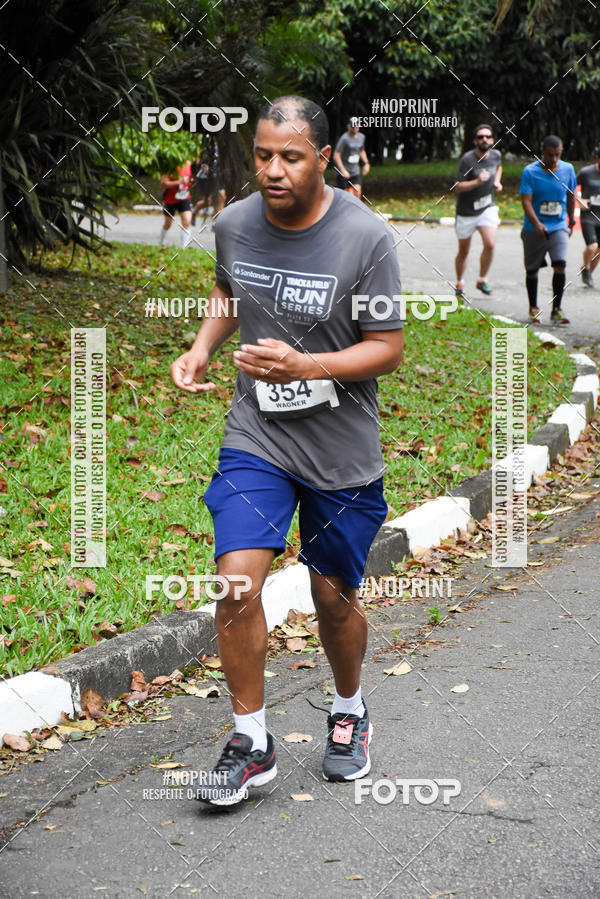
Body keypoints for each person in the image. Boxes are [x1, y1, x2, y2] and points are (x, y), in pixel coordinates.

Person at [170, 95, 403, 806]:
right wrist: (203, 347)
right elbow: (227, 289)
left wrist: (307, 365)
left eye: (291, 157)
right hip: (258, 435)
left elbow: (387, 348)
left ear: (323, 158)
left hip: (339, 448)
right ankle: (251, 741)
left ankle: (349, 709)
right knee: (237, 579)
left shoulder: (365, 237)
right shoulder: (235, 222)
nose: (273, 170)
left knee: (332, 596)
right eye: (263, 155)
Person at [520, 135, 576, 325]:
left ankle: (556, 309)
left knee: (560, 264)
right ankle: (533, 307)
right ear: (542, 152)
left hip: (558, 225)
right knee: (532, 269)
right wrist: (536, 223)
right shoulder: (530, 172)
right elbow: (526, 201)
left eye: (557, 155)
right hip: (533, 227)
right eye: (550, 155)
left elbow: (571, 195)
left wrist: (571, 221)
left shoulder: (568, 169)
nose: (554, 159)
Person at [453, 124, 502, 299]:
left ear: (492, 140)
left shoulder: (496, 155)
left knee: (490, 244)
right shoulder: (468, 160)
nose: (484, 140)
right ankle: (459, 283)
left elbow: (499, 167)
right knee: (464, 251)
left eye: (488, 137)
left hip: (487, 208)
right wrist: (477, 182)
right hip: (466, 211)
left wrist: (497, 181)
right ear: (475, 141)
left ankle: (482, 279)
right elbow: (458, 186)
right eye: (481, 137)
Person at [576, 147, 600, 288]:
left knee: (599, 250)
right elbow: (571, 186)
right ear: (597, 159)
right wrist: (579, 200)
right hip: (588, 216)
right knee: (592, 246)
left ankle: (588, 274)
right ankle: (586, 267)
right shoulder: (586, 172)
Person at [191, 138, 226, 227]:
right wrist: (209, 173)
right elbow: (202, 164)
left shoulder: (225, 145)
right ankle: (194, 211)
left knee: (222, 196)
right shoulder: (208, 144)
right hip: (205, 177)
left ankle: (216, 222)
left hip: (218, 177)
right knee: (208, 201)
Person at [158, 159, 193, 248]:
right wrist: (179, 182)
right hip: (170, 198)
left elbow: (188, 179)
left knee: (187, 221)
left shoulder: (188, 163)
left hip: (184, 196)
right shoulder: (171, 165)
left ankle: (184, 247)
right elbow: (163, 183)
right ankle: (161, 242)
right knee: (168, 223)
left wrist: (190, 182)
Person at [333, 118, 370, 198]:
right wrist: (343, 170)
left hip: (355, 171)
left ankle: (355, 206)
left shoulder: (361, 137)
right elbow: (336, 155)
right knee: (345, 196)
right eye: (353, 127)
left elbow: (361, 150)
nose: (355, 129)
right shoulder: (344, 139)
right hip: (344, 171)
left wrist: (366, 163)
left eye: (356, 126)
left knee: (357, 192)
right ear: (349, 127)